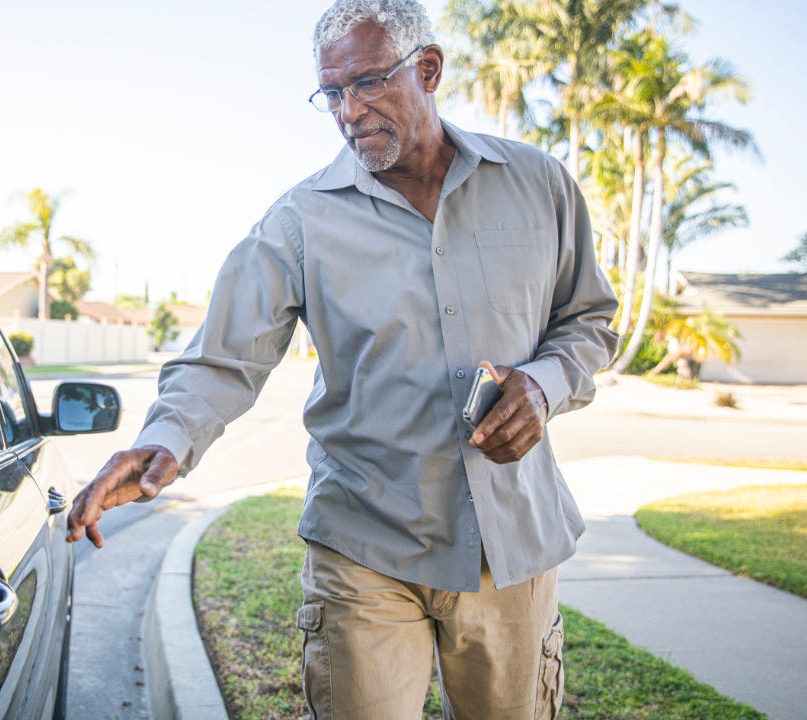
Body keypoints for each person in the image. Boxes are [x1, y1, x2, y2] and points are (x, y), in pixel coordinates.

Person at [66, 0, 618, 717]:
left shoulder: (538, 184)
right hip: (365, 550)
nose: (348, 112)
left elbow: (588, 322)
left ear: (429, 69)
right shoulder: (299, 222)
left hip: (510, 546)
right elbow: (222, 359)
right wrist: (164, 438)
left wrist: (542, 388)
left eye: (367, 84)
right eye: (331, 94)